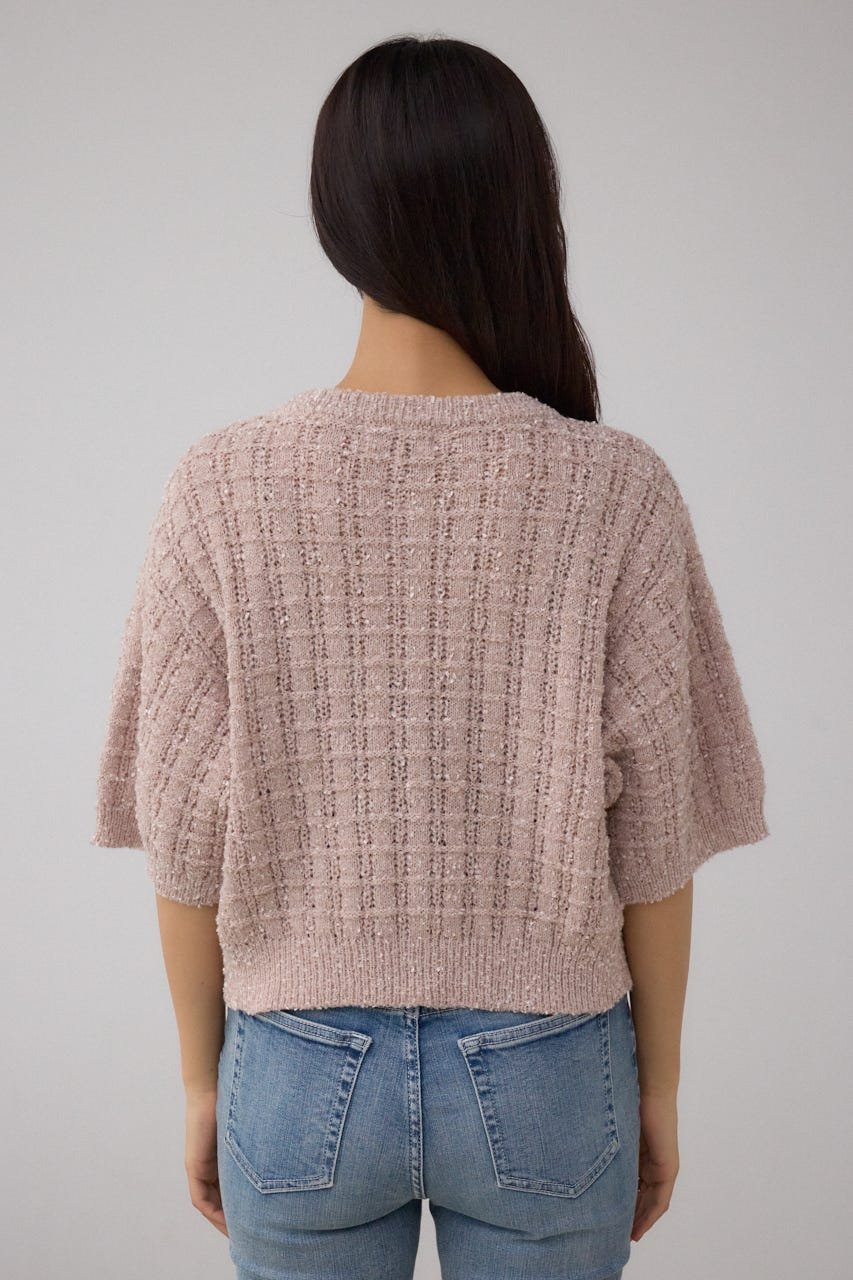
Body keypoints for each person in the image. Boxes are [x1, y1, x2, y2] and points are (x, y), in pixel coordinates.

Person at [89, 34, 769, 1280]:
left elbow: (184, 834)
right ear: (523, 203)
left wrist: (199, 1080)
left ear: (335, 216)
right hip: (549, 1066)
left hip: (295, 1065)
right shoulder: (613, 488)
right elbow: (656, 835)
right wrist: (659, 1084)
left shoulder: (219, 485)